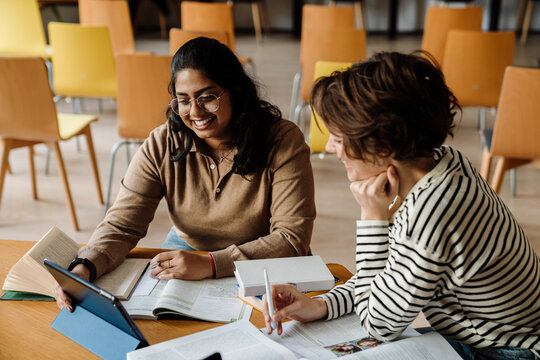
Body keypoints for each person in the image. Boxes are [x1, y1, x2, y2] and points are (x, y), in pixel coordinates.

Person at [263, 51, 540, 359]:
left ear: (383, 146)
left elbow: (377, 323)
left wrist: (372, 217)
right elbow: (389, 278)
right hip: (496, 333)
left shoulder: (432, 213)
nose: (329, 147)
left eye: (338, 138)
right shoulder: (444, 161)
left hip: (505, 350)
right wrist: (322, 304)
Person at [55, 37, 315, 310]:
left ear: (236, 91)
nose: (195, 112)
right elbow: (122, 224)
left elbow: (290, 238)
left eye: (207, 98)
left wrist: (212, 263)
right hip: (190, 247)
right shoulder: (162, 142)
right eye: (183, 101)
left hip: (264, 258)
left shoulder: (283, 141)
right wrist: (85, 265)